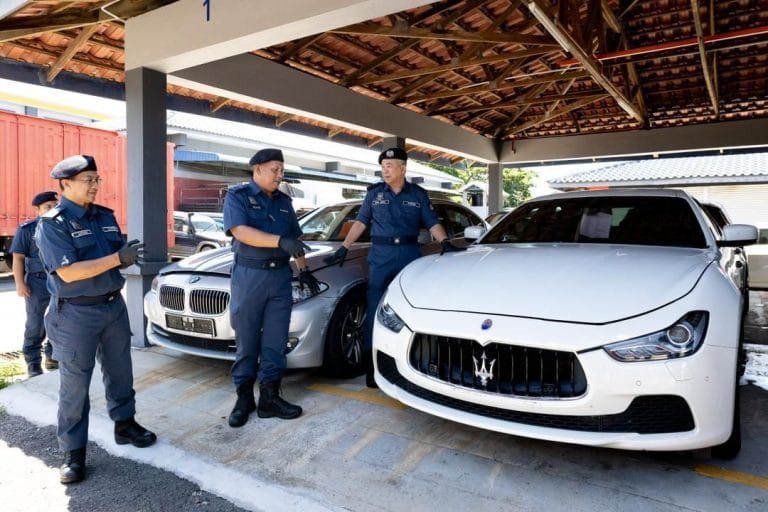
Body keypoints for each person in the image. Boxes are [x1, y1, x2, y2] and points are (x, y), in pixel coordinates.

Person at [35, 155, 157, 485]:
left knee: (121, 371)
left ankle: (125, 425)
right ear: (65, 184)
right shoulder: (52, 224)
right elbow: (68, 272)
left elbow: (114, 257)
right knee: (75, 385)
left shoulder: (104, 216)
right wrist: (117, 258)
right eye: (87, 179)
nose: (94, 185)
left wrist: (125, 253)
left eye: (96, 179)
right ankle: (73, 452)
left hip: (112, 307)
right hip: (75, 313)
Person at [324, 147, 464, 387]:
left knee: (409, 307)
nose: (385, 170)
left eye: (390, 166)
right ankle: (372, 367)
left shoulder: (418, 195)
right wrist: (344, 247)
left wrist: (445, 243)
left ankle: (410, 362)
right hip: (380, 256)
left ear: (403, 168)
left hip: (409, 254)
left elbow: (432, 222)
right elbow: (360, 222)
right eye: (382, 167)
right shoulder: (374, 194)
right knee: (375, 308)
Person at [223, 148, 319, 427]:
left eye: (282, 169)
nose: (280, 175)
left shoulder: (284, 201)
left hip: (279, 280)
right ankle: (243, 398)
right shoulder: (237, 196)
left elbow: (295, 239)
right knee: (247, 341)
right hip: (249, 276)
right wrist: (280, 242)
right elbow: (240, 231)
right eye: (275, 169)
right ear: (258, 169)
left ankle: (269, 398)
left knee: (275, 342)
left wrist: (303, 269)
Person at [10, 191, 59, 377]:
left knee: (58, 319)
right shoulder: (27, 230)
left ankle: (53, 356)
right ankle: (33, 363)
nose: (52, 209)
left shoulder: (63, 227)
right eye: (47, 207)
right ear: (37, 210)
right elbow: (18, 258)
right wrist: (19, 283)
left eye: (55, 205)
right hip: (37, 281)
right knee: (35, 323)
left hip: (60, 280)